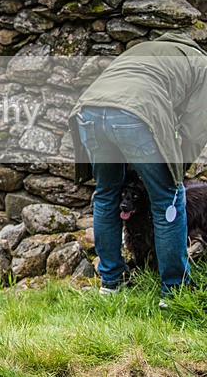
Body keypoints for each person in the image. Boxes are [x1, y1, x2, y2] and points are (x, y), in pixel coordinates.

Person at [69, 32, 207, 305]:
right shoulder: (201, 64)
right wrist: (177, 173)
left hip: (88, 111)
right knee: (169, 197)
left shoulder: (145, 49)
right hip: (135, 114)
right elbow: (194, 131)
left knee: (107, 194)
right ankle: (174, 290)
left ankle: (110, 283)